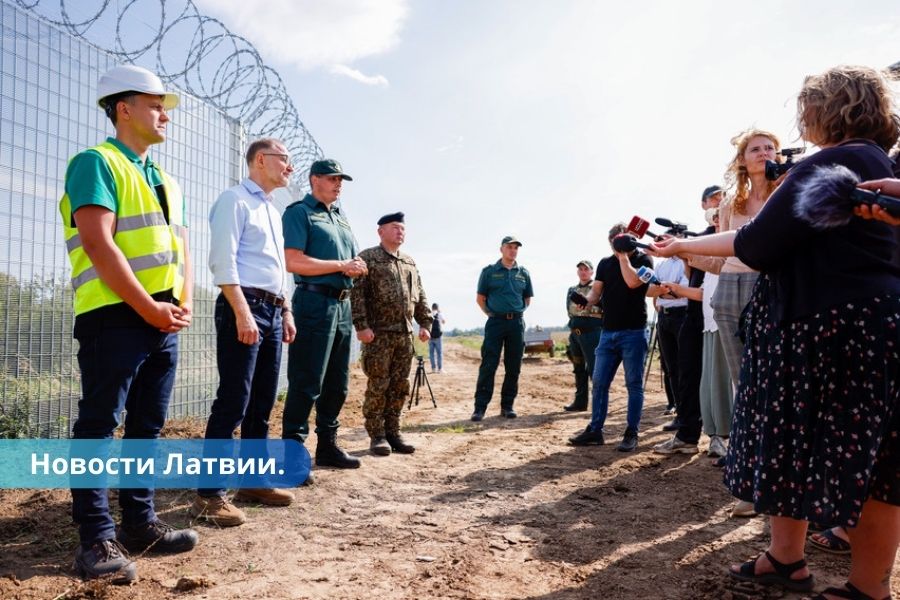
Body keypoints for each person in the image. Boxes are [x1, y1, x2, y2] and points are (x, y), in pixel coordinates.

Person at [650, 65, 899, 600]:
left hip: (822, 327)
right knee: (865, 457)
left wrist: (680, 248)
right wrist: (683, 246)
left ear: (822, 110)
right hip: (872, 322)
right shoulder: (877, 161)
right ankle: (797, 563)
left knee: (807, 448)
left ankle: (855, 586)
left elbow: (757, 245)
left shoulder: (829, 163)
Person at [60, 65, 198, 583]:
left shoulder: (166, 180)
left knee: (145, 426)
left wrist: (176, 306)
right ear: (124, 108)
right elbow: (99, 243)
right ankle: (95, 537)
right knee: (99, 424)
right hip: (115, 314)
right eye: (156, 104)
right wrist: (149, 308)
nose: (165, 114)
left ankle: (139, 522)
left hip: (163, 318)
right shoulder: (95, 163)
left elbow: (181, 250)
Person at [189, 139, 298, 527]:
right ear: (260, 160)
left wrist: (284, 309)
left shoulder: (270, 208)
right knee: (234, 398)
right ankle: (209, 495)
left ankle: (253, 482)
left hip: (270, 309)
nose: (290, 167)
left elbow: (274, 270)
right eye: (284, 160)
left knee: (263, 401)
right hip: (245, 307)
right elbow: (223, 261)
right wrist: (242, 313)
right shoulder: (234, 200)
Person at [281, 159, 367, 469]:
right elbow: (294, 262)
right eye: (332, 178)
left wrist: (355, 265)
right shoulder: (300, 213)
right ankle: (293, 455)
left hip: (342, 304)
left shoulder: (340, 219)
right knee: (307, 380)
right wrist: (342, 266)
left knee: (337, 382)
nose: (338, 184)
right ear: (315, 179)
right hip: (314, 303)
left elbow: (346, 258)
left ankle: (328, 446)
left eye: (341, 179)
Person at [568, 224, 665, 452]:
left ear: (629, 239)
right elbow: (596, 291)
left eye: (618, 240)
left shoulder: (644, 261)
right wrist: (587, 300)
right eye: (612, 240)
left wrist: (623, 257)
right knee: (600, 382)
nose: (614, 243)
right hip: (608, 333)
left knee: (633, 385)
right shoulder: (604, 263)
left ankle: (631, 433)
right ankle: (595, 430)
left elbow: (633, 283)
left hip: (633, 332)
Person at [352, 212, 432, 455]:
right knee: (379, 384)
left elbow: (420, 294)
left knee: (399, 386)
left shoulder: (409, 262)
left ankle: (394, 432)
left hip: (404, 335)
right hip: (378, 335)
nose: (400, 232)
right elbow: (358, 295)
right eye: (395, 228)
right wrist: (361, 325)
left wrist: (426, 323)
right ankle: (377, 436)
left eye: (403, 229)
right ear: (381, 232)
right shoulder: (368, 258)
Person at [471, 236, 534, 421]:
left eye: (516, 248)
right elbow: (480, 298)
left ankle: (507, 406)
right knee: (489, 365)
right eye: (509, 247)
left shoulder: (524, 273)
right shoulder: (489, 272)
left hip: (516, 323)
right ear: (501, 249)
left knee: (513, 366)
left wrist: (517, 312)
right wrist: (491, 313)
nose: (513, 250)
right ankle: (480, 408)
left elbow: (527, 299)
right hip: (495, 323)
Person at [563, 260, 603, 412]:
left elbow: (602, 308)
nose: (583, 272)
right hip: (575, 335)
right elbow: (569, 309)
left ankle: (598, 404)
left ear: (592, 272)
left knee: (594, 369)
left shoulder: (598, 288)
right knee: (578, 368)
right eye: (580, 269)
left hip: (592, 334)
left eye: (586, 269)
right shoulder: (572, 290)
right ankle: (580, 402)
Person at [429, 303, 445, 373]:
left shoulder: (429, 314)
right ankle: (440, 369)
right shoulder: (440, 314)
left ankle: (433, 368)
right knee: (439, 353)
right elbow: (444, 322)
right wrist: (440, 313)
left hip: (430, 337)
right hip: (438, 336)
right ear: (437, 308)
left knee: (431, 353)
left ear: (432, 308)